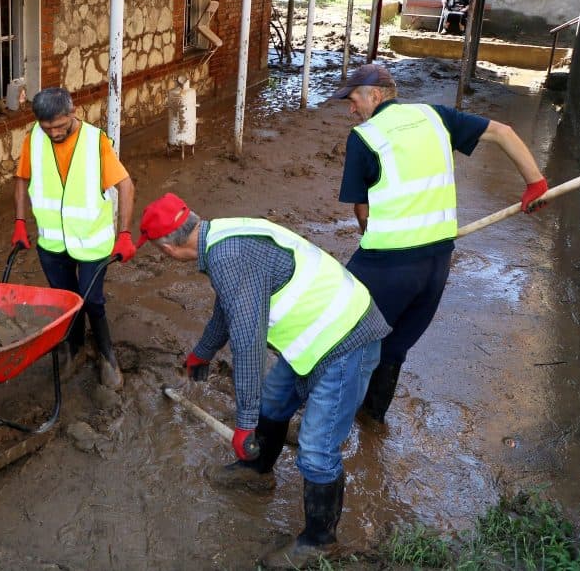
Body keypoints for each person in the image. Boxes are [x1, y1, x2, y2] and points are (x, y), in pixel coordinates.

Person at [137, 193, 390, 568]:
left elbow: (249, 346)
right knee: (274, 400)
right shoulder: (221, 236)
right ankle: (258, 471)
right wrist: (203, 351)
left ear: (166, 248)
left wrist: (244, 424)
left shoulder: (228, 258)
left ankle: (321, 540)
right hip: (319, 331)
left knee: (317, 450)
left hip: (346, 339)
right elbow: (228, 307)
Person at [334, 64, 548, 426]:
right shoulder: (434, 117)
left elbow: (362, 209)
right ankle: (371, 421)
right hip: (436, 263)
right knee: (394, 346)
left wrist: (371, 234)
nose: (350, 110)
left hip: (387, 263)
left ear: (376, 94)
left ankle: (318, 427)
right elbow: (503, 132)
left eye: (353, 100)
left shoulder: (365, 137)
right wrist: (535, 183)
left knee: (337, 336)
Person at [12, 87, 136, 389]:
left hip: (93, 241)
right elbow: (21, 179)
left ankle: (107, 356)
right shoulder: (34, 140)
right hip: (52, 243)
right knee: (66, 301)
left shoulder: (96, 142)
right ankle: (75, 349)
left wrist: (125, 233)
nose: (54, 132)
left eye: (59, 126)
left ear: (72, 113)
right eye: (47, 127)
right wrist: (19, 222)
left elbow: (126, 186)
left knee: (92, 300)